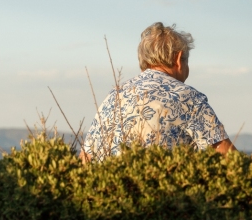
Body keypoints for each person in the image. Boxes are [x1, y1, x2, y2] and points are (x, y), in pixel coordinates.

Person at [81, 23, 236, 161]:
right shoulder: (187, 97)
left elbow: (85, 157)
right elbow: (227, 157)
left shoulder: (114, 95)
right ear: (179, 58)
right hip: (162, 191)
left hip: (105, 190)